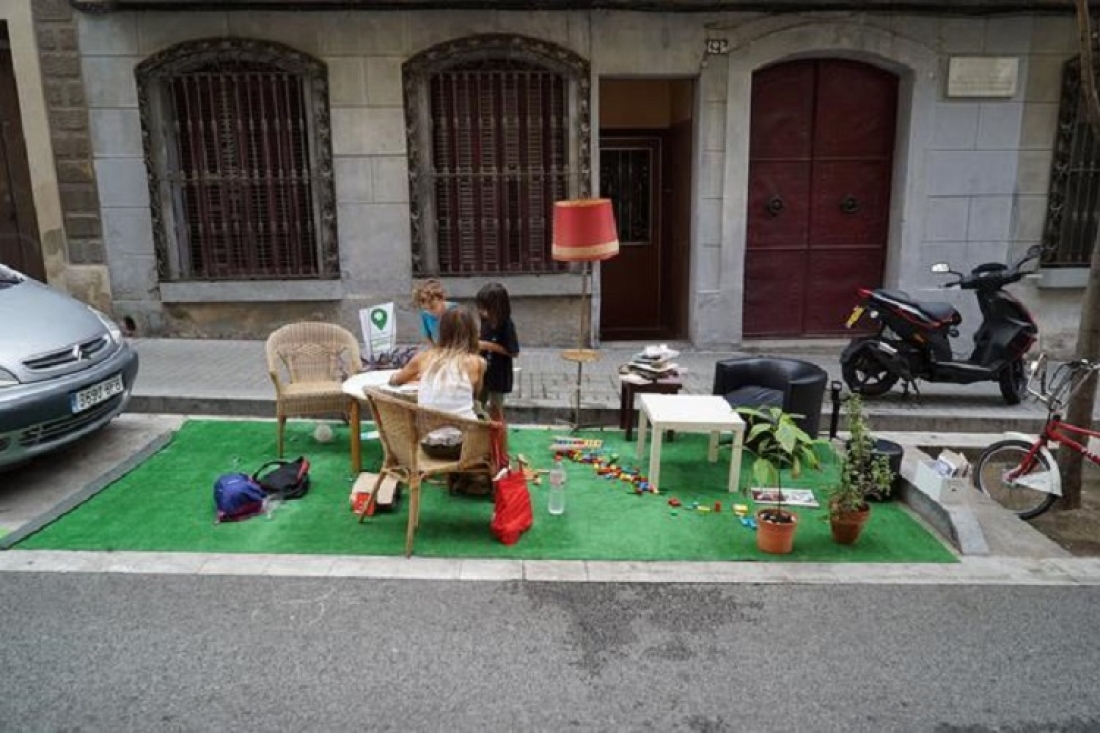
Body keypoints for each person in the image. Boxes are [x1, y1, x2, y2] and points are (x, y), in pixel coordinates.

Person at [389, 305, 486, 420]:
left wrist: (412, 378)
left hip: (427, 431)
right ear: (472, 332)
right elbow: (474, 395)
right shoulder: (477, 362)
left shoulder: (424, 358)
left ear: (441, 330)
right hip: (464, 431)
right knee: (482, 413)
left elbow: (395, 381)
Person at [476, 282, 520, 424]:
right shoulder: (485, 319)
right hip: (482, 371)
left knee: (496, 408)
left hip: (499, 373)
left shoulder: (507, 325)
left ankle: (498, 439)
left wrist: (488, 345)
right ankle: (481, 435)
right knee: (477, 405)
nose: (482, 312)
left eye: (485, 308)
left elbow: (514, 352)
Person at [412, 278, 456, 348]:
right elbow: (428, 336)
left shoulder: (455, 311)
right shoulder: (426, 315)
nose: (430, 312)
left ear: (441, 299)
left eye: (433, 307)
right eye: (426, 309)